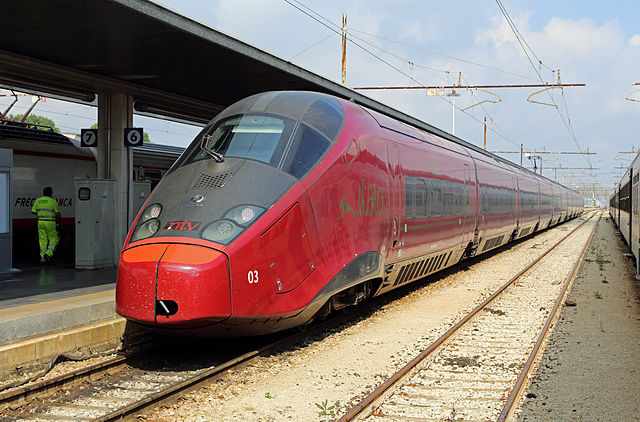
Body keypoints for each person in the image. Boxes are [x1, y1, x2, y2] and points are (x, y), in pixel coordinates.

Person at [31, 186, 61, 263]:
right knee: (54, 239)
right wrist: (59, 221)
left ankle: (43, 258)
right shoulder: (53, 201)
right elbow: (57, 213)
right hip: (50, 223)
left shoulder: (38, 200)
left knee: (42, 240)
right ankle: (48, 253)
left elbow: (33, 211)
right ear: (51, 193)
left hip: (40, 222)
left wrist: (40, 214)